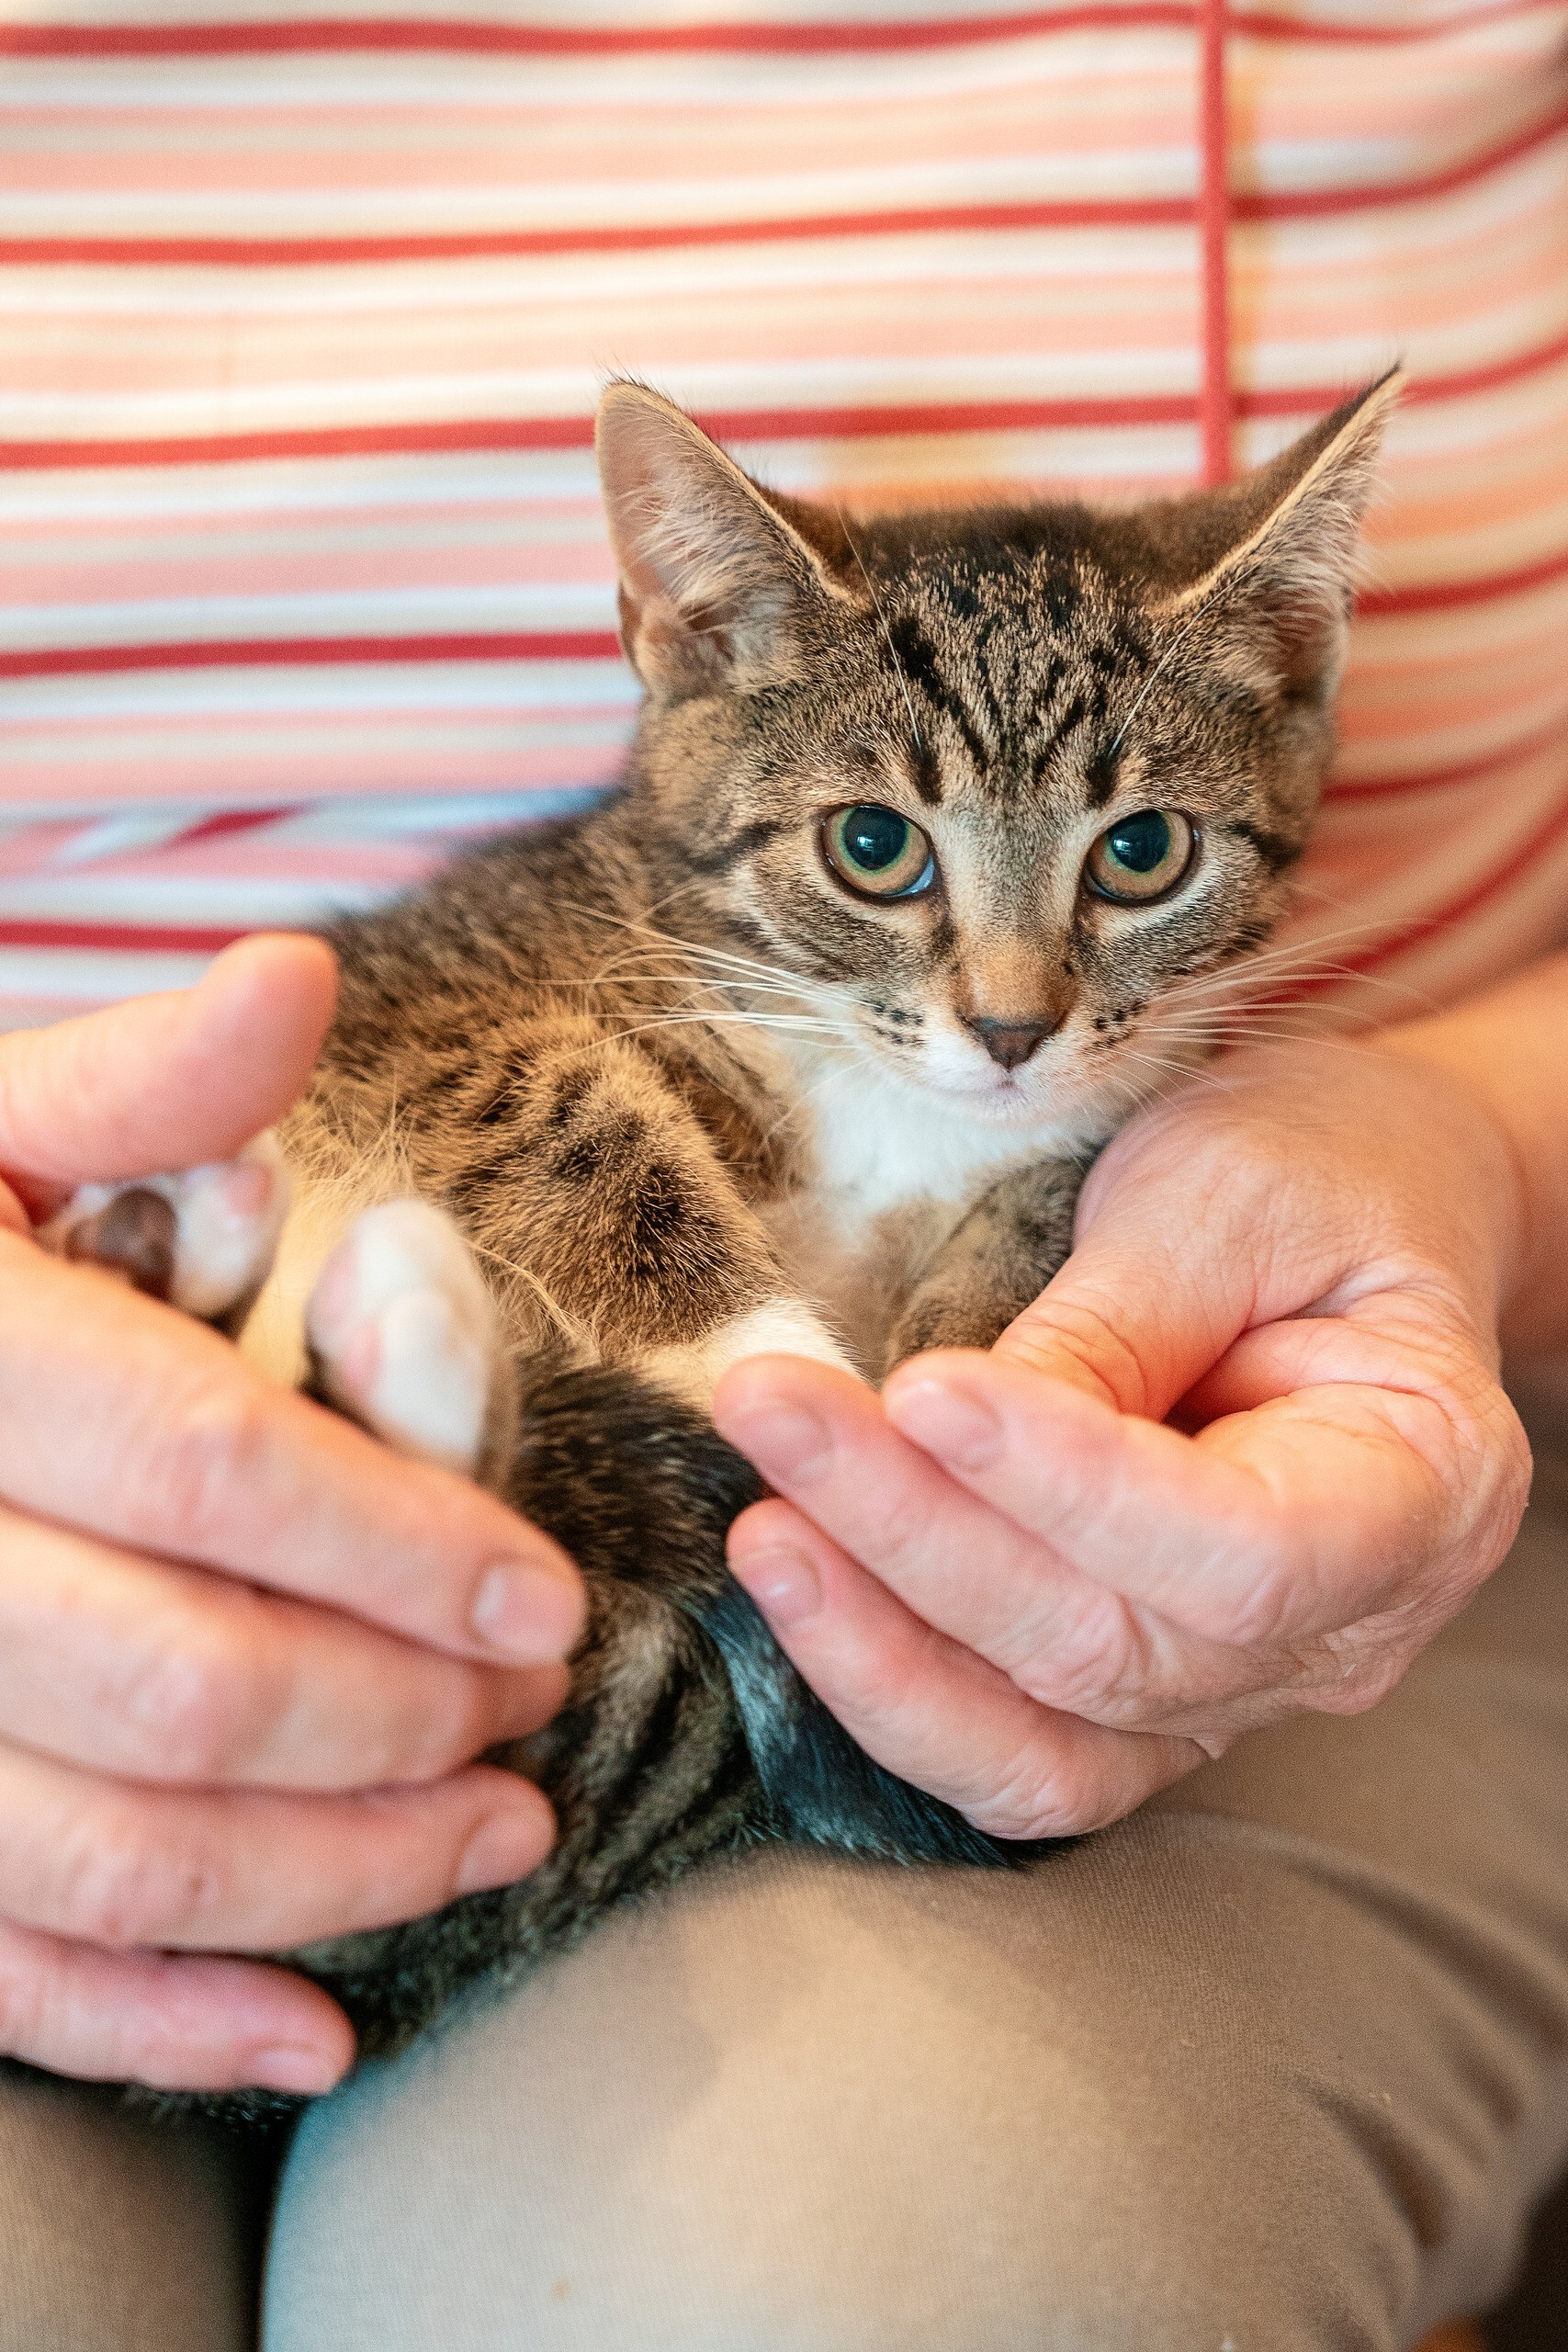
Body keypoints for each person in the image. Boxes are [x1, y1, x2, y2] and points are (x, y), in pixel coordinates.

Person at [2, 4, 1566, 2346]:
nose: (1015, 993)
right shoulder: (593, 994)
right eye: (877, 845)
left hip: (1330, 1534)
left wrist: (1443, 1144)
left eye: (1133, 854)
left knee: (795, 2258)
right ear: (685, 639)